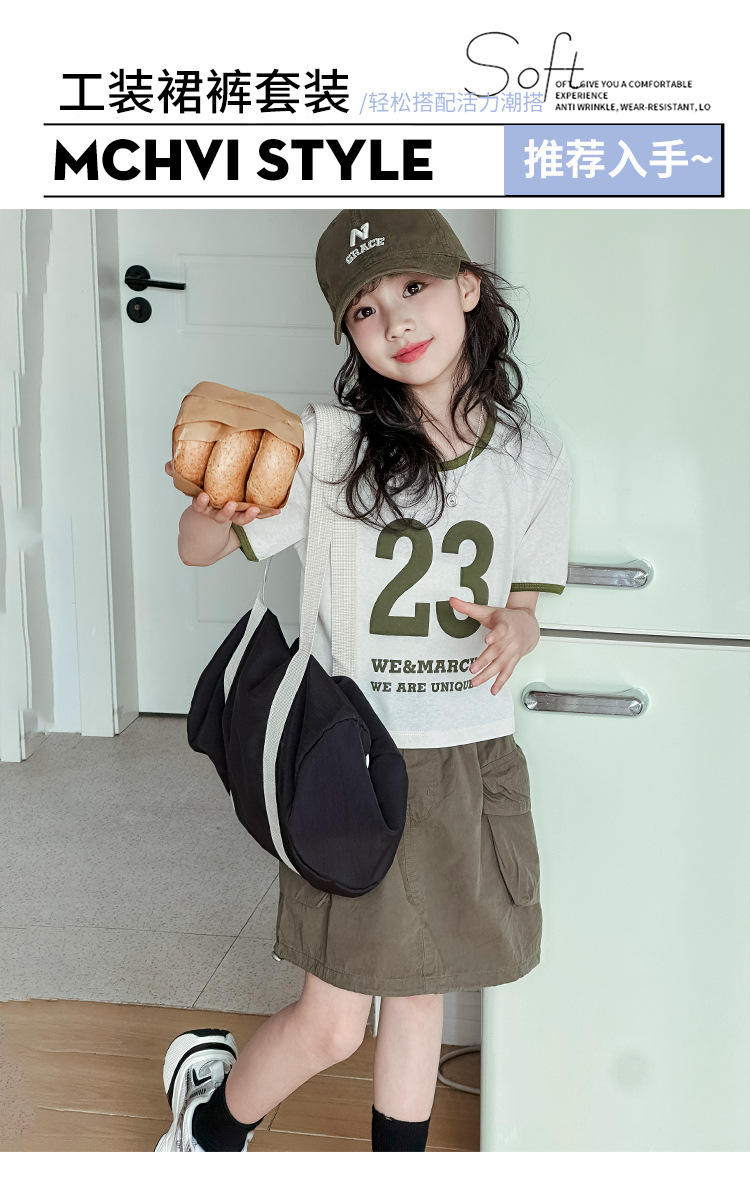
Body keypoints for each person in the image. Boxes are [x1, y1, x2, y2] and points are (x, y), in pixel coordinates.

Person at [156, 209, 573, 1153]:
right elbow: (196, 550)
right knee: (335, 1022)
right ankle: (205, 1131)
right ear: (350, 335)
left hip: (465, 759)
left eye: (413, 288)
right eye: (365, 310)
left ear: (467, 287)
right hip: (354, 761)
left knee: (420, 997)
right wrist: (210, 510)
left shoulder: (534, 457)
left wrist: (517, 626)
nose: (396, 320)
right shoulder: (331, 446)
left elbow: (526, 606)